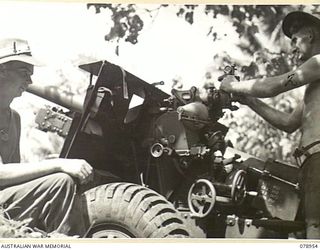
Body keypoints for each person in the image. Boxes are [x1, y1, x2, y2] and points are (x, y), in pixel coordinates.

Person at [220, 11, 320, 239]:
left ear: (311, 35)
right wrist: (251, 102)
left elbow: (273, 86)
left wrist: (233, 86)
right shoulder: (314, 85)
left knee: (315, 227)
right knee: (306, 229)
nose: (292, 47)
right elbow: (288, 123)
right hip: (310, 161)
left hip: (318, 158)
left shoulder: (319, 62)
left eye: (295, 39)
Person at [0, 38, 93, 235]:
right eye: (24, 73)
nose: (30, 81)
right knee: (60, 182)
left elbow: (14, 178)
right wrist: (58, 164)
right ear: (2, 70)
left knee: (62, 181)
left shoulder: (13, 118)